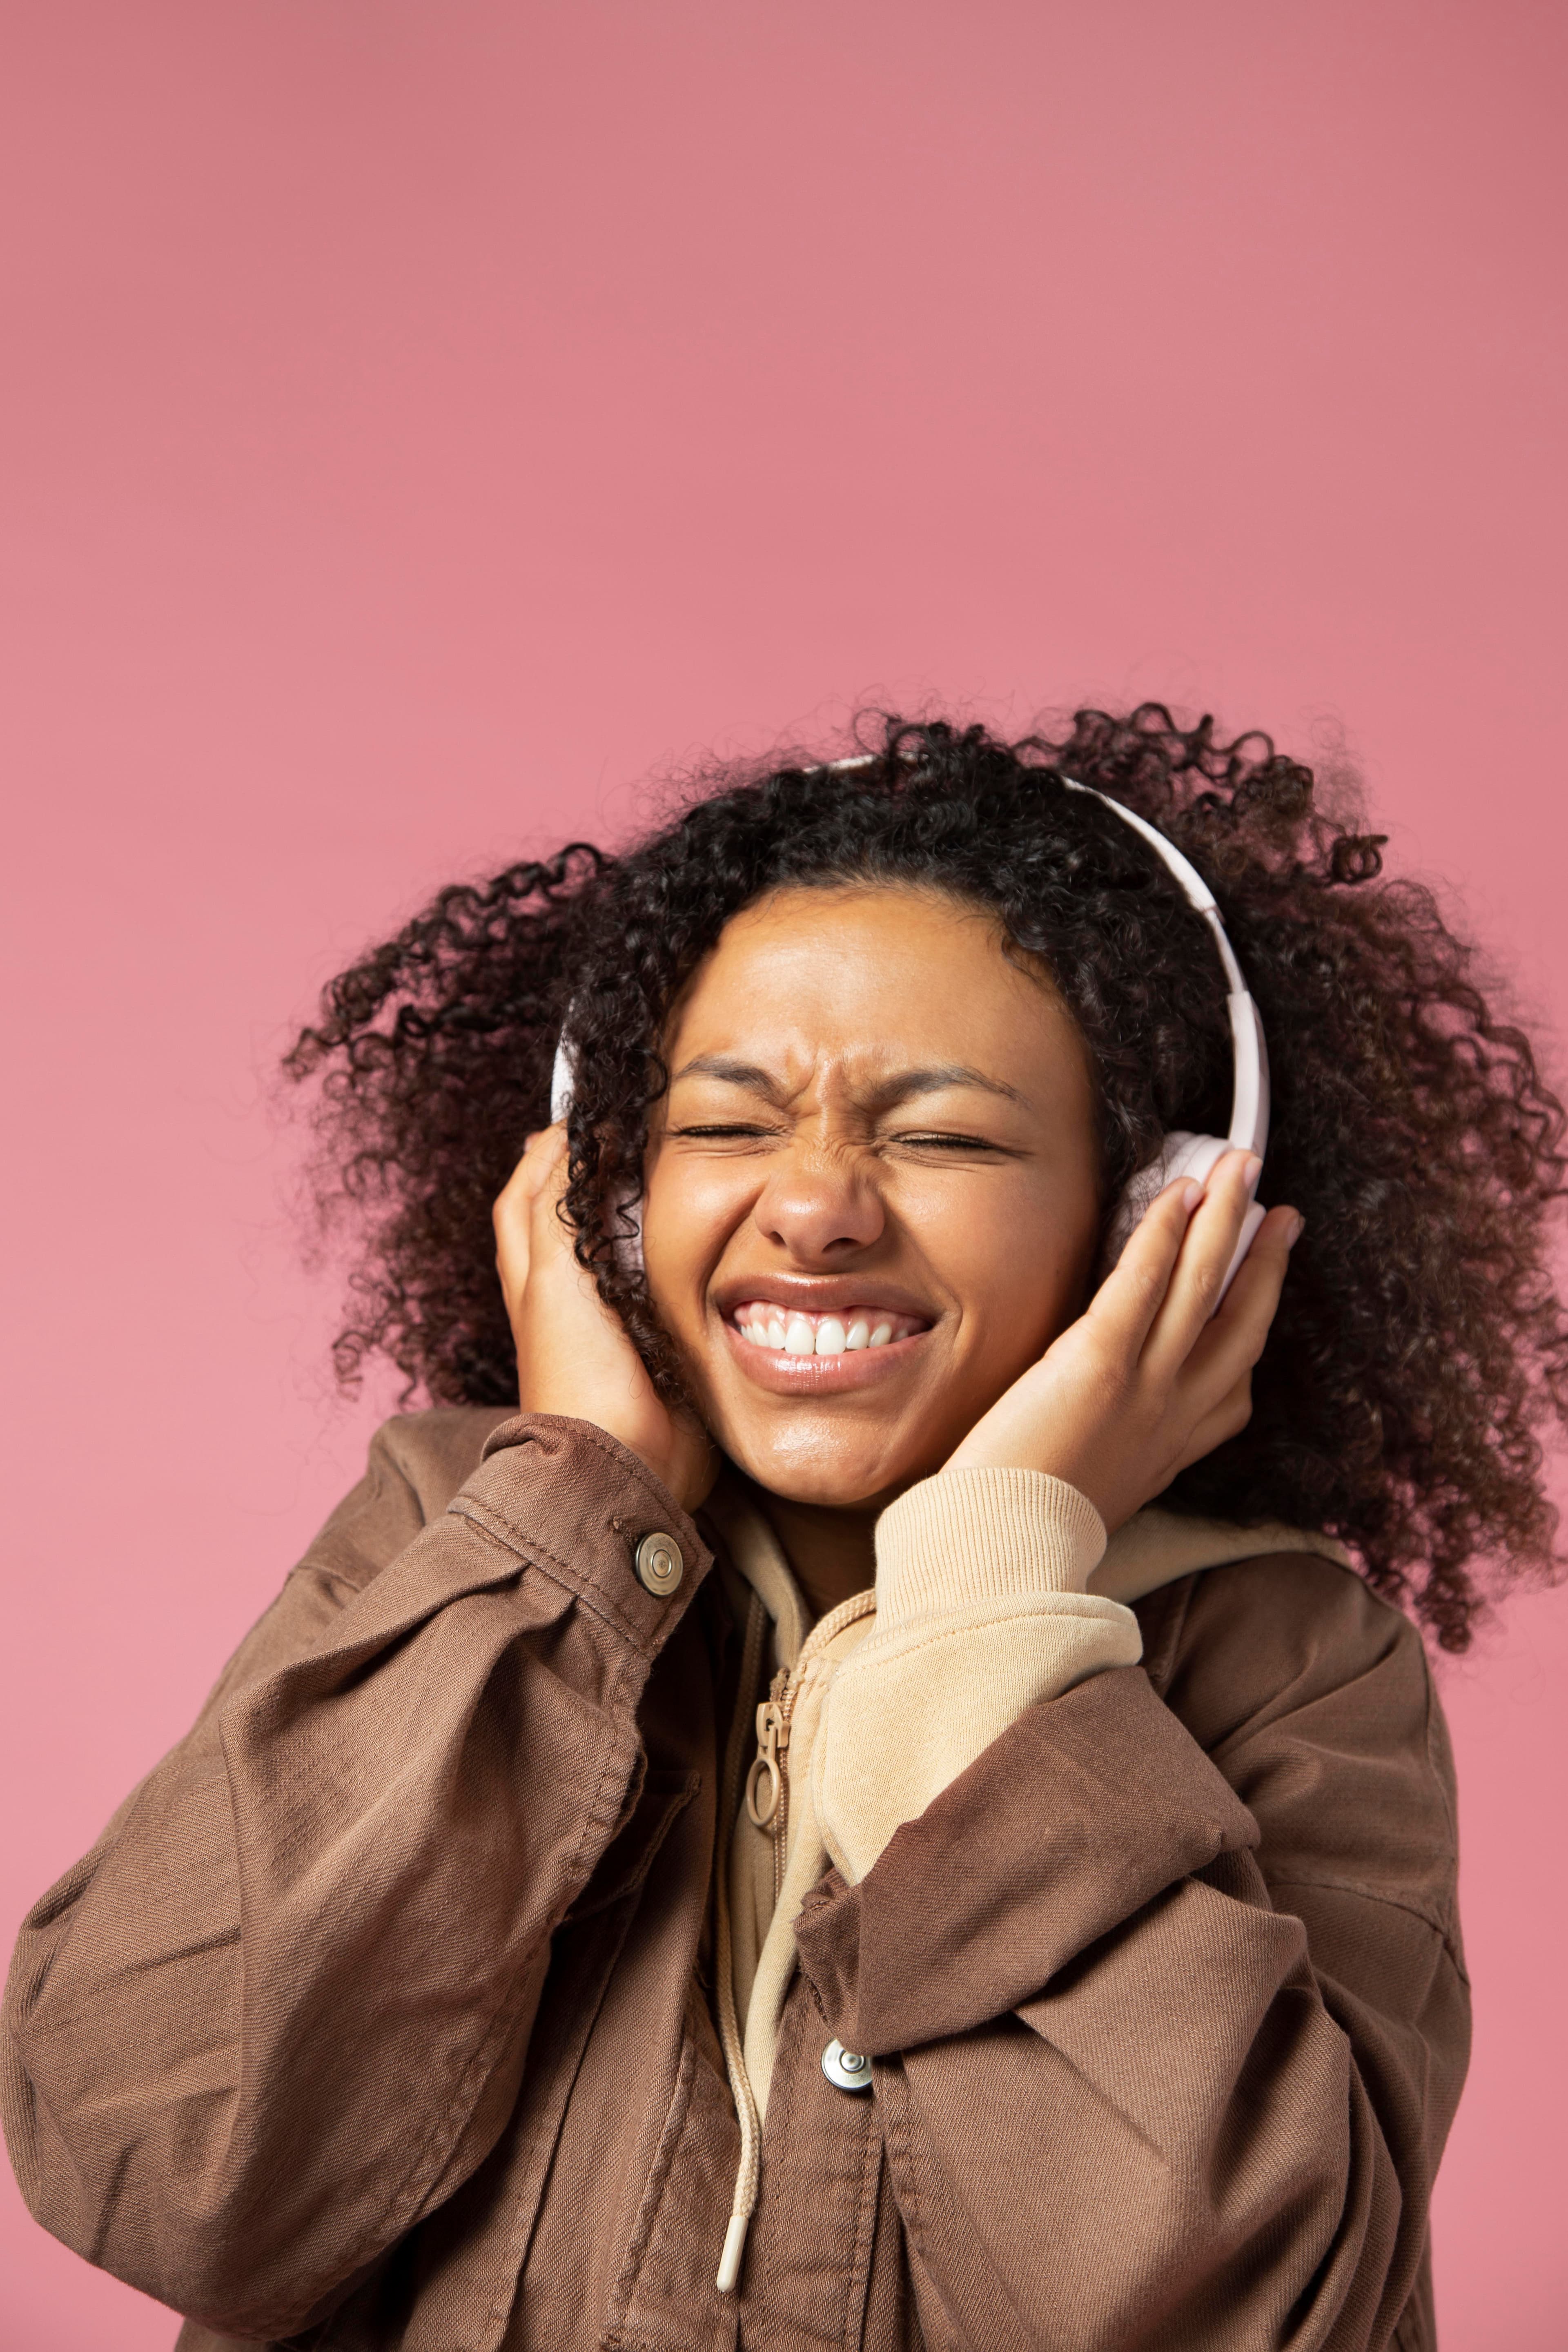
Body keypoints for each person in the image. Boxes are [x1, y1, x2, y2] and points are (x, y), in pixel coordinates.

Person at [5, 710, 1564, 2352]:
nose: (815, 1208)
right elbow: (156, 2160)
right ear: (606, 1190)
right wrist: (568, 1516)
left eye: (946, 1134)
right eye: (729, 1124)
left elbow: (1256, 2320)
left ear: (1153, 1216)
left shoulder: (1285, 1659)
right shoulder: (454, 1551)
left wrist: (984, 1624)